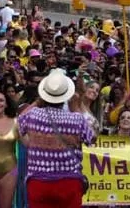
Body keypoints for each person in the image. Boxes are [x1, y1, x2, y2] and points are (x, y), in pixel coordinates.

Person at [18, 69, 95, 208]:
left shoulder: (34, 114)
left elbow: (19, 121)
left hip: (38, 182)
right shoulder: (76, 118)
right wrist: (75, 106)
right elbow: (92, 138)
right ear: (66, 96)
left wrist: (37, 102)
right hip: (69, 181)